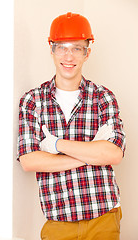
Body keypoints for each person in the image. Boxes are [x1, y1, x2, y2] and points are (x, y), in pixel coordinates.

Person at [17, 12, 126, 240]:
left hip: (104, 217)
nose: (69, 55)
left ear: (87, 52)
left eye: (77, 48)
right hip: (59, 222)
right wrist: (92, 152)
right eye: (62, 47)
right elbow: (29, 160)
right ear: (51, 49)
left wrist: (56, 144)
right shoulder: (33, 100)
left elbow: (113, 154)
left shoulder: (103, 98)